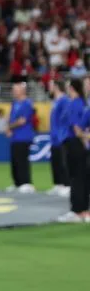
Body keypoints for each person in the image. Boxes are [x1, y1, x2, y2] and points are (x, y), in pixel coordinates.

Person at [58, 79, 89, 222]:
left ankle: (76, 210)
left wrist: (84, 138)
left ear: (71, 87)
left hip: (72, 143)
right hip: (79, 144)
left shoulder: (73, 104)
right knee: (81, 177)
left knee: (75, 177)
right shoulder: (82, 103)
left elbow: (76, 128)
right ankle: (83, 209)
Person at [6, 82, 36, 193]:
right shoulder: (14, 103)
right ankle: (17, 182)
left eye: (15, 90)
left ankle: (26, 183)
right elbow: (11, 118)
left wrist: (10, 126)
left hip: (24, 136)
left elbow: (22, 121)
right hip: (15, 137)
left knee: (22, 160)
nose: (13, 92)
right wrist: (9, 128)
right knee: (15, 160)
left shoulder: (27, 103)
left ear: (22, 90)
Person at [47, 80, 71, 198]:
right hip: (54, 136)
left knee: (63, 161)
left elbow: (65, 119)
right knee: (55, 161)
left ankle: (67, 185)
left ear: (56, 86)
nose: (48, 87)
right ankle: (58, 184)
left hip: (61, 136)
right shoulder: (55, 101)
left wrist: (62, 134)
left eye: (50, 85)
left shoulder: (64, 100)